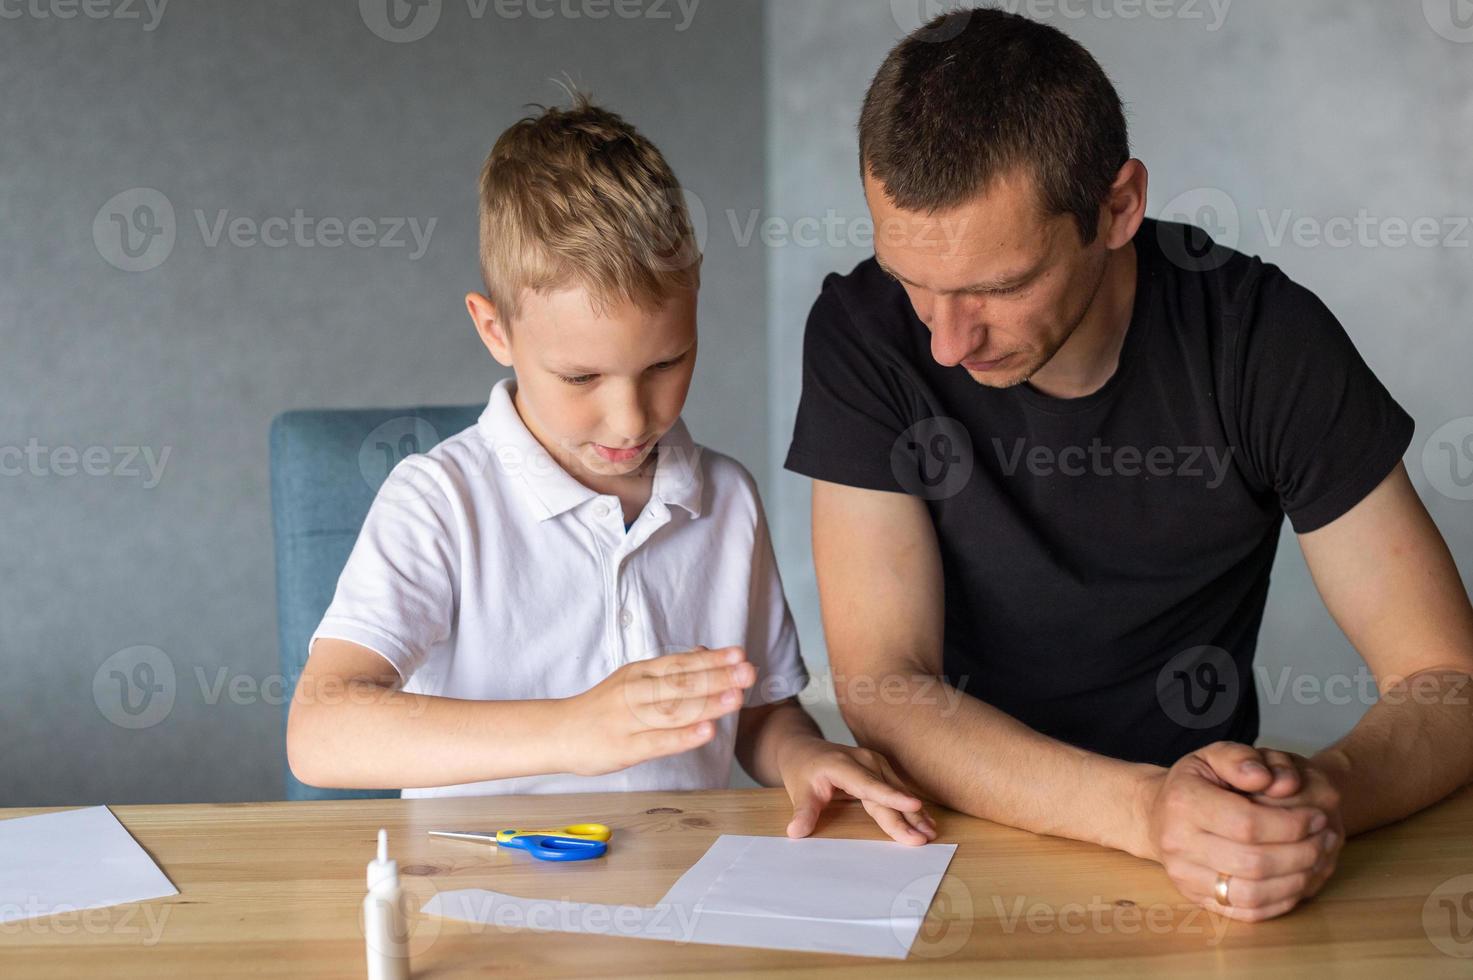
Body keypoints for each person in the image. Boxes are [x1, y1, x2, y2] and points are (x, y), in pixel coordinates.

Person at [785, 7, 1473, 919]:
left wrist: (1323, 796)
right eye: (915, 282)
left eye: (996, 288)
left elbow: (1446, 679)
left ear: (1118, 207)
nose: (946, 344)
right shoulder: (861, 333)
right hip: (954, 842)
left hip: (1203, 864)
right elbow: (884, 684)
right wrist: (1150, 812)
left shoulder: (1263, 342)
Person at [287, 92, 935, 846]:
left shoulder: (725, 500)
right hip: (482, 910)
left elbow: (755, 714)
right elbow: (320, 728)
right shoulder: (438, 502)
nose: (632, 420)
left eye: (666, 362)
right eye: (581, 378)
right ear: (494, 330)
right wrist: (571, 729)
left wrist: (804, 755)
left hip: (678, 892)